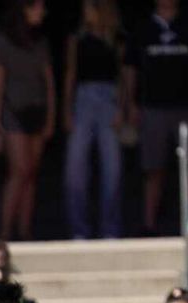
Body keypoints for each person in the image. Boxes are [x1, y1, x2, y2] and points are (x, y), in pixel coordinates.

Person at [121, 0, 188, 236]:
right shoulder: (142, 28)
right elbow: (129, 68)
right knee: (153, 168)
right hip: (153, 107)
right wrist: (131, 104)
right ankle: (149, 224)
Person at [0, 1, 53, 241]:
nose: (41, 12)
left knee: (31, 174)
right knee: (18, 171)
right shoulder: (3, 41)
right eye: (36, 7)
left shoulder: (40, 42)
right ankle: (5, 230)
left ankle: (25, 231)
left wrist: (51, 118)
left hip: (37, 111)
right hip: (13, 113)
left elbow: (49, 83)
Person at [61, 0, 123, 240]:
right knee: (75, 169)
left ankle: (111, 229)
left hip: (110, 99)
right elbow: (70, 73)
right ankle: (80, 230)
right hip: (83, 99)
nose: (85, 12)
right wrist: (67, 110)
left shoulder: (116, 37)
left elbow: (123, 76)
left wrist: (123, 108)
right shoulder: (77, 37)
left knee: (112, 168)